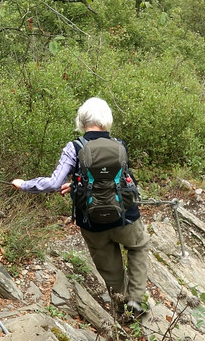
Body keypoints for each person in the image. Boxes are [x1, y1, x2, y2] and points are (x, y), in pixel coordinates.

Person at [12, 96, 150, 320]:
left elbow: (54, 183)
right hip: (125, 217)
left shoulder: (74, 147)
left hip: (92, 222)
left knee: (110, 269)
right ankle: (136, 300)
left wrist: (24, 185)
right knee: (139, 247)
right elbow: (115, 180)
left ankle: (123, 312)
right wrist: (77, 184)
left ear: (82, 121)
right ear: (106, 120)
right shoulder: (119, 145)